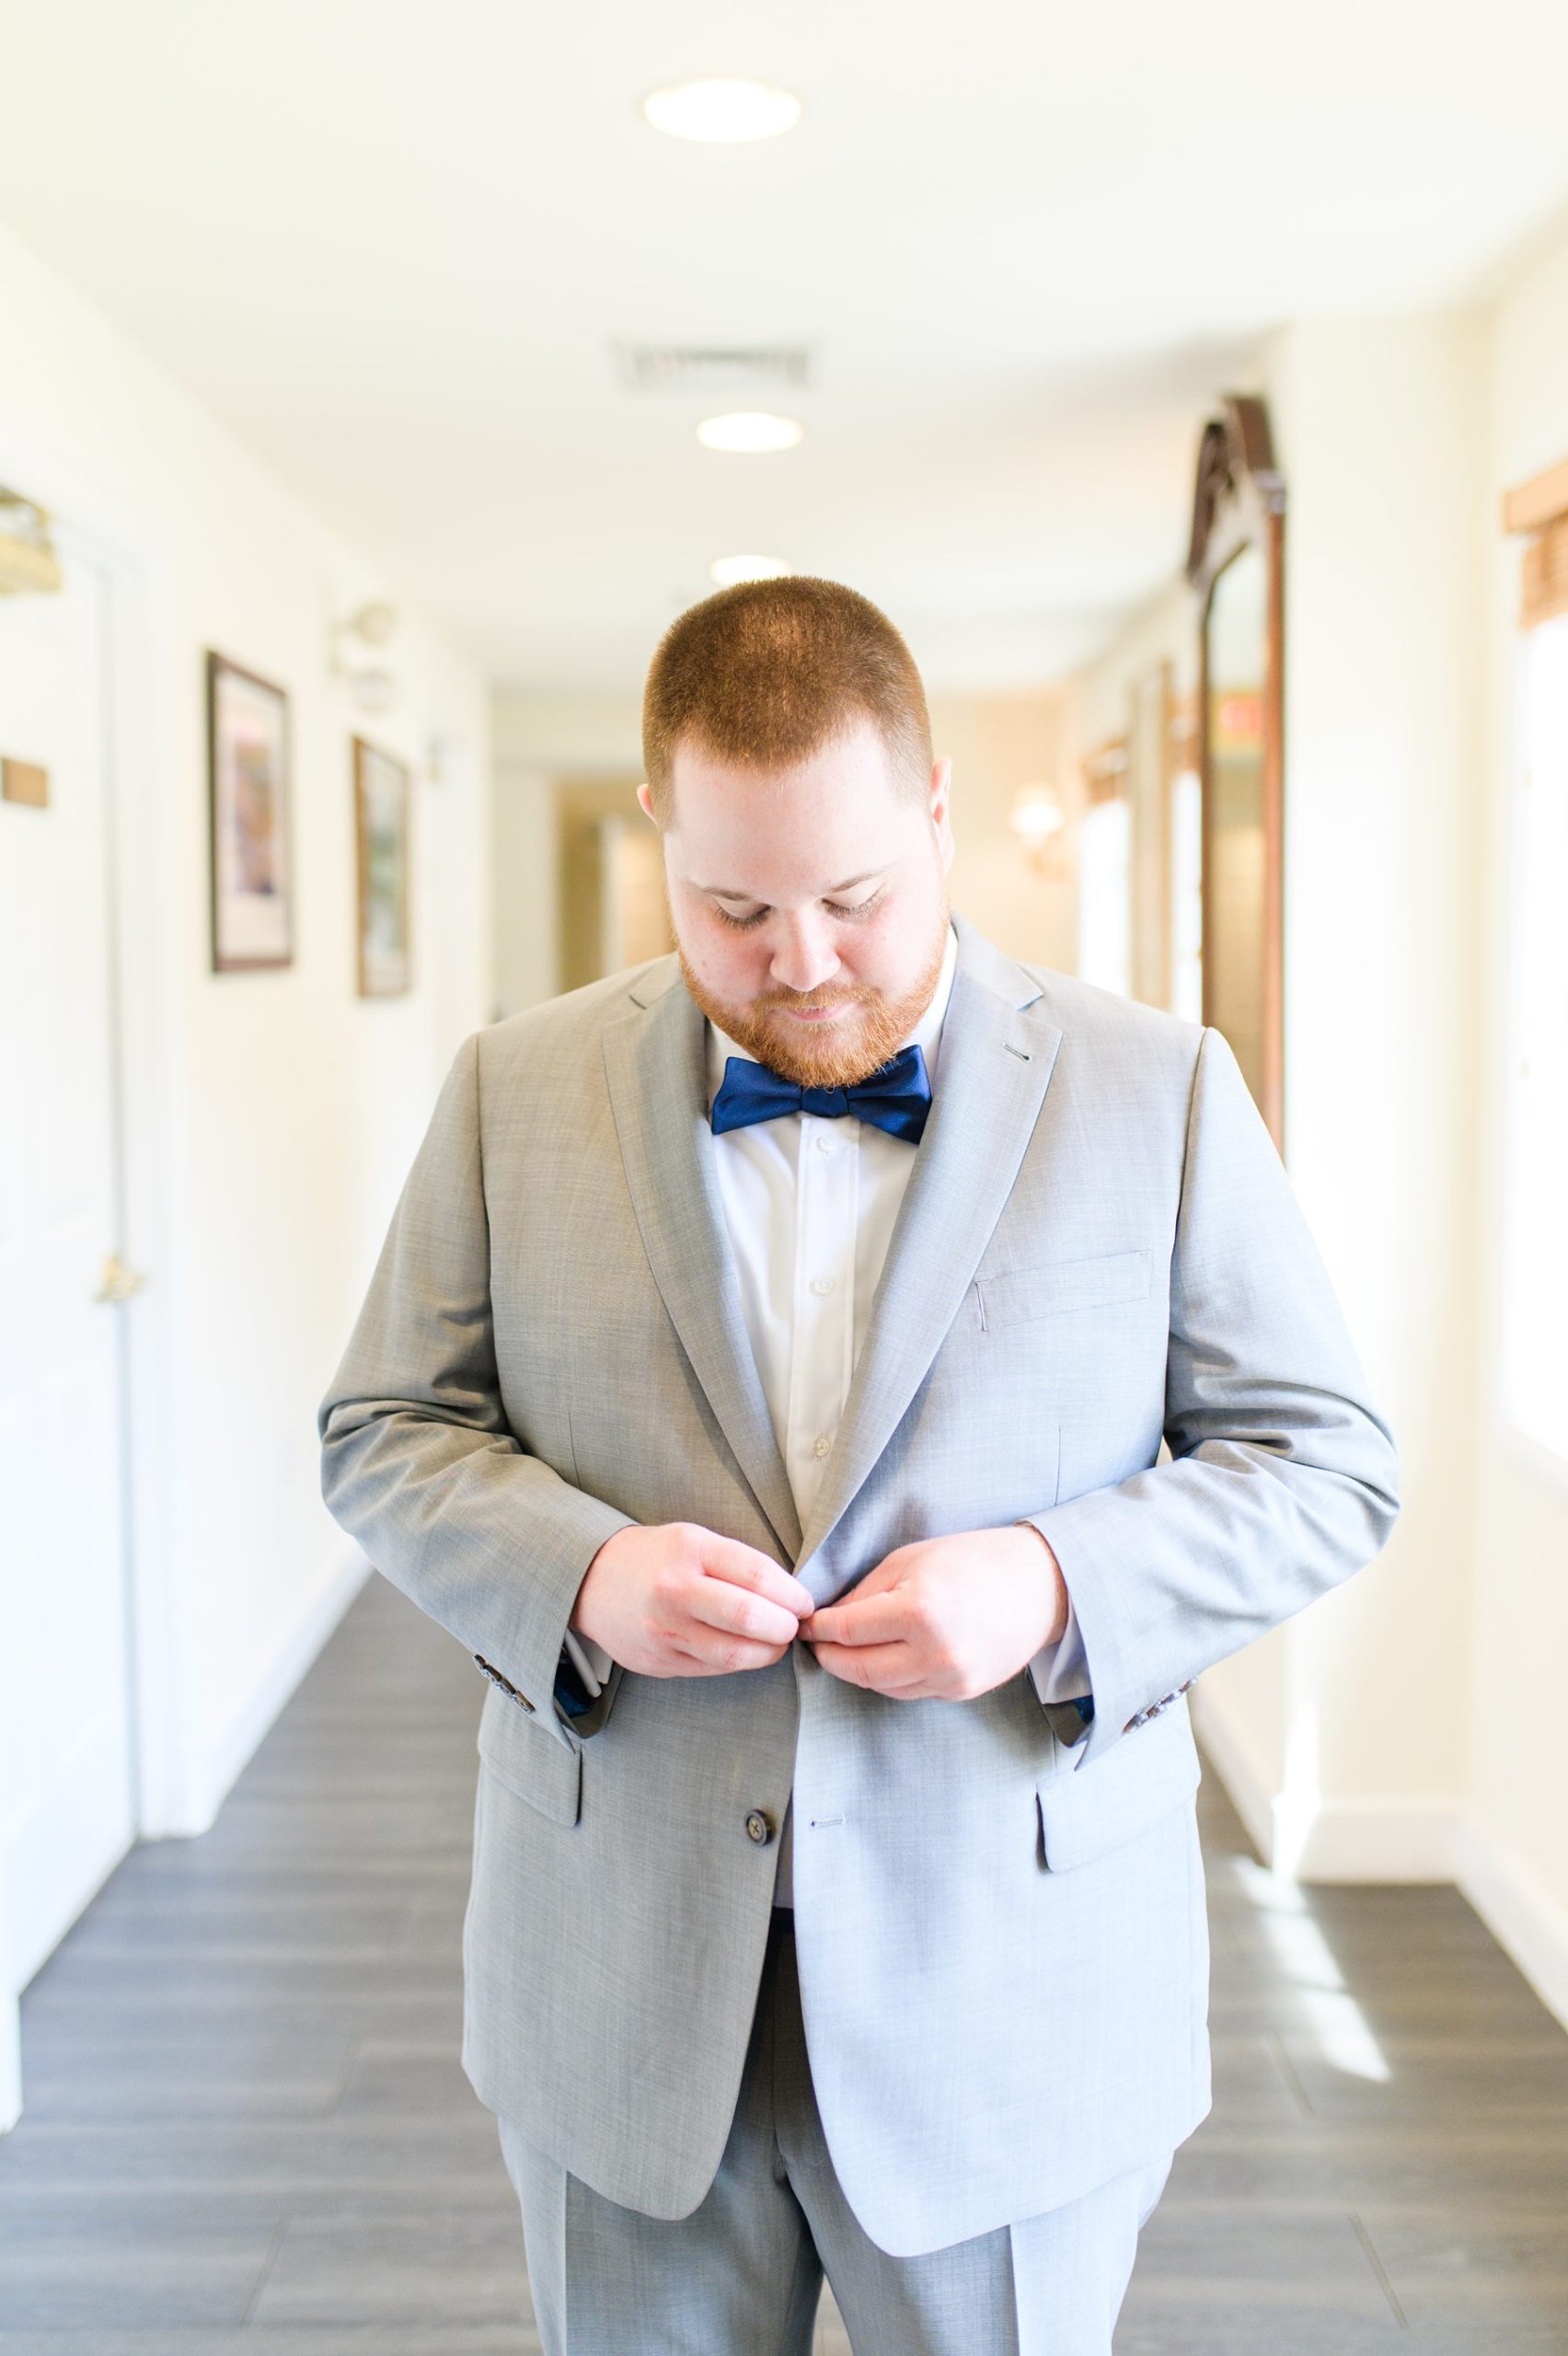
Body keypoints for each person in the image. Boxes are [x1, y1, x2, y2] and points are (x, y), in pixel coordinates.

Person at [317, 576, 1400, 2355]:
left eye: (856, 894)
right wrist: (575, 1574)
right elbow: (386, 1429)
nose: (803, 960)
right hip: (622, 1989)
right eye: (734, 907)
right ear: (663, 828)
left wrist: (1055, 1581)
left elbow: (1326, 1463)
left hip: (1015, 2003)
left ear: (941, 810)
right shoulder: (513, 1090)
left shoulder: (1161, 1089)